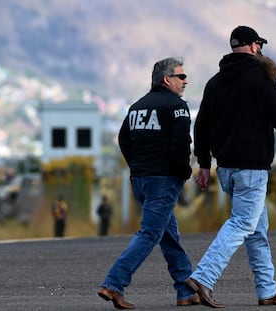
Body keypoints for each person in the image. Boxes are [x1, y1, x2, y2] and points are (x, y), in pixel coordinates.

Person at [185, 25, 276, 308]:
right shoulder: (261, 77)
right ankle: (203, 277)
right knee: (243, 223)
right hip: (252, 168)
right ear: (253, 46)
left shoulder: (215, 82)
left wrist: (205, 165)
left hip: (227, 170)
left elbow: (202, 127)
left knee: (257, 229)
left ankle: (267, 290)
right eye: (259, 44)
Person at [98, 57, 199, 309]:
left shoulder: (137, 107)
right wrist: (183, 172)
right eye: (181, 76)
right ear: (167, 79)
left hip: (140, 180)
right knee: (150, 233)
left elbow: (123, 139)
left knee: (168, 234)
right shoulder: (177, 106)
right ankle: (113, 284)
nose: (185, 81)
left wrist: (138, 165)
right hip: (163, 179)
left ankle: (185, 290)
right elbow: (181, 143)